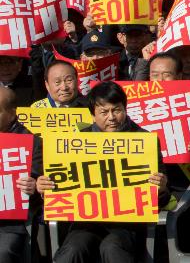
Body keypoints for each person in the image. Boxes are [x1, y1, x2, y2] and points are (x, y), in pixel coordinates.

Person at [41, 82, 174, 263]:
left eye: (116, 110)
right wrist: (45, 188)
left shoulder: (144, 140)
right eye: (104, 112)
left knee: (112, 248)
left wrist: (161, 188)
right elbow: (59, 190)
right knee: (72, 250)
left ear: (125, 109)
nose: (111, 117)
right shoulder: (76, 143)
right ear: (93, 115)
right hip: (85, 222)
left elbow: (163, 199)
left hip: (127, 224)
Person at [0, 86, 36, 263]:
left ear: (13, 113)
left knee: (3, 253)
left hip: (9, 225)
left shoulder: (31, 142)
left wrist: (34, 185)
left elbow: (43, 182)